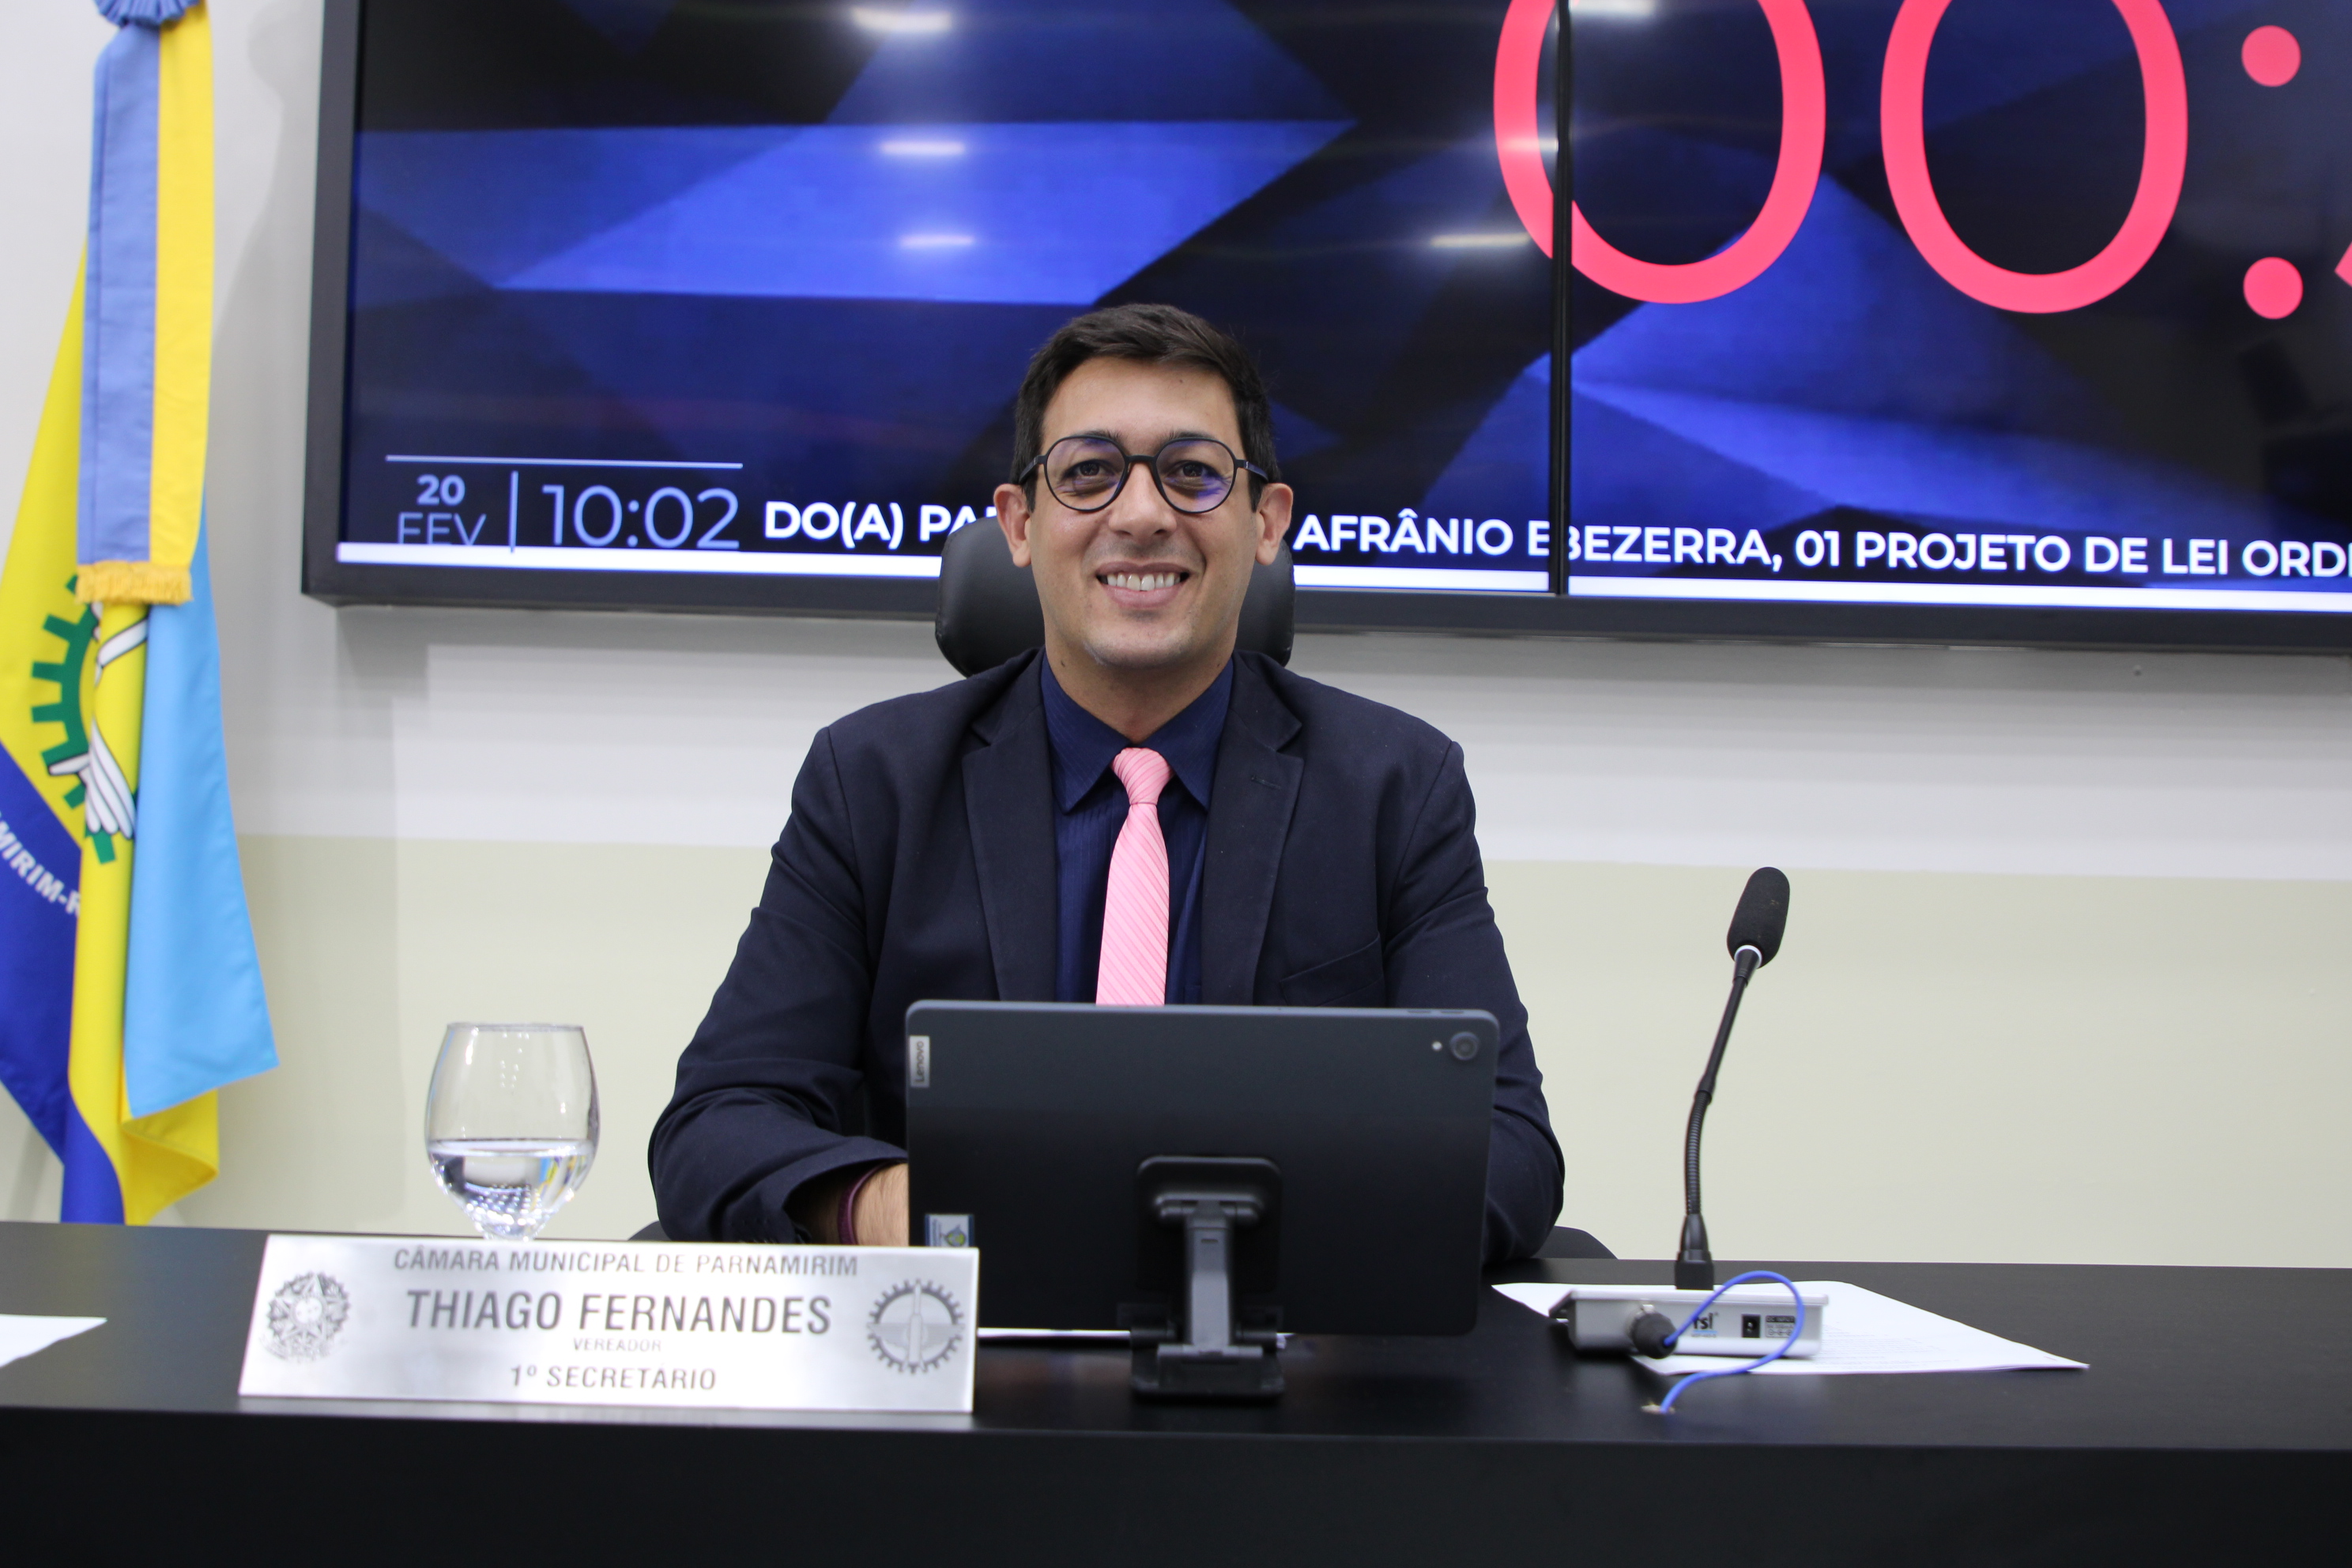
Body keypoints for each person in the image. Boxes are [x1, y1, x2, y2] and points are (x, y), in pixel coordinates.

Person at [650, 303, 1562, 1259]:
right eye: (1088, 473)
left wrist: (1236, 1227)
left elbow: (1508, 1151)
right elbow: (717, 1124)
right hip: (962, 1326)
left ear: (1266, 523)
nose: (1140, 514)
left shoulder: (1396, 789)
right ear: (1019, 523)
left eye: (1193, 473)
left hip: (1277, 1333)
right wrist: (901, 1208)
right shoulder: (872, 784)